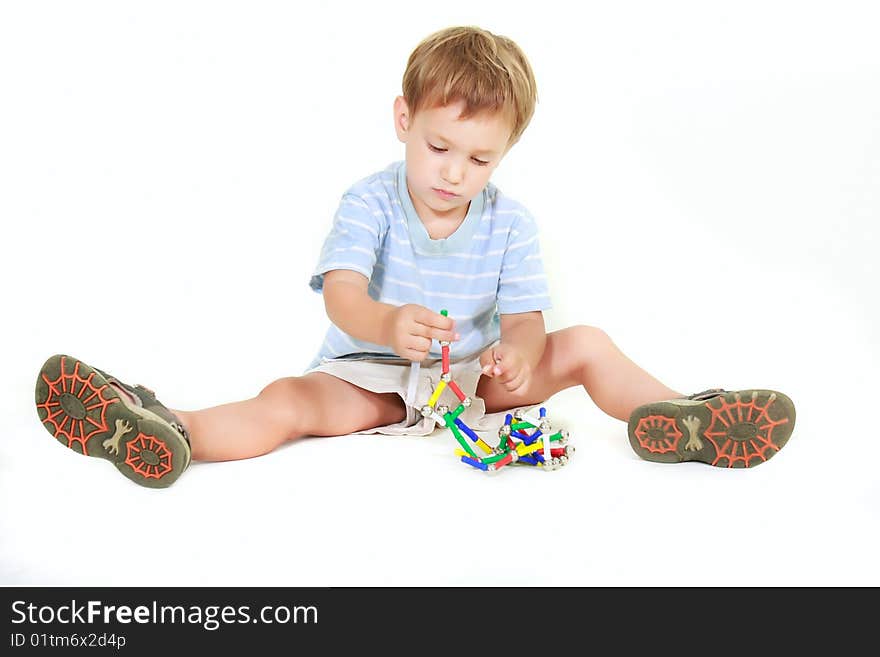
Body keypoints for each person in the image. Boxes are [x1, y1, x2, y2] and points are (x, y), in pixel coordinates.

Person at [34, 26, 796, 488]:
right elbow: (340, 295)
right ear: (404, 119)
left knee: (587, 344)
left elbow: (527, 318)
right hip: (370, 376)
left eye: (479, 159)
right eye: (438, 146)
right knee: (290, 401)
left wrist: (520, 360)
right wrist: (386, 320)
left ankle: (683, 419)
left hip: (466, 386)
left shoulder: (512, 224)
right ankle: (168, 428)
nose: (454, 173)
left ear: (504, 156)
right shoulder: (369, 201)